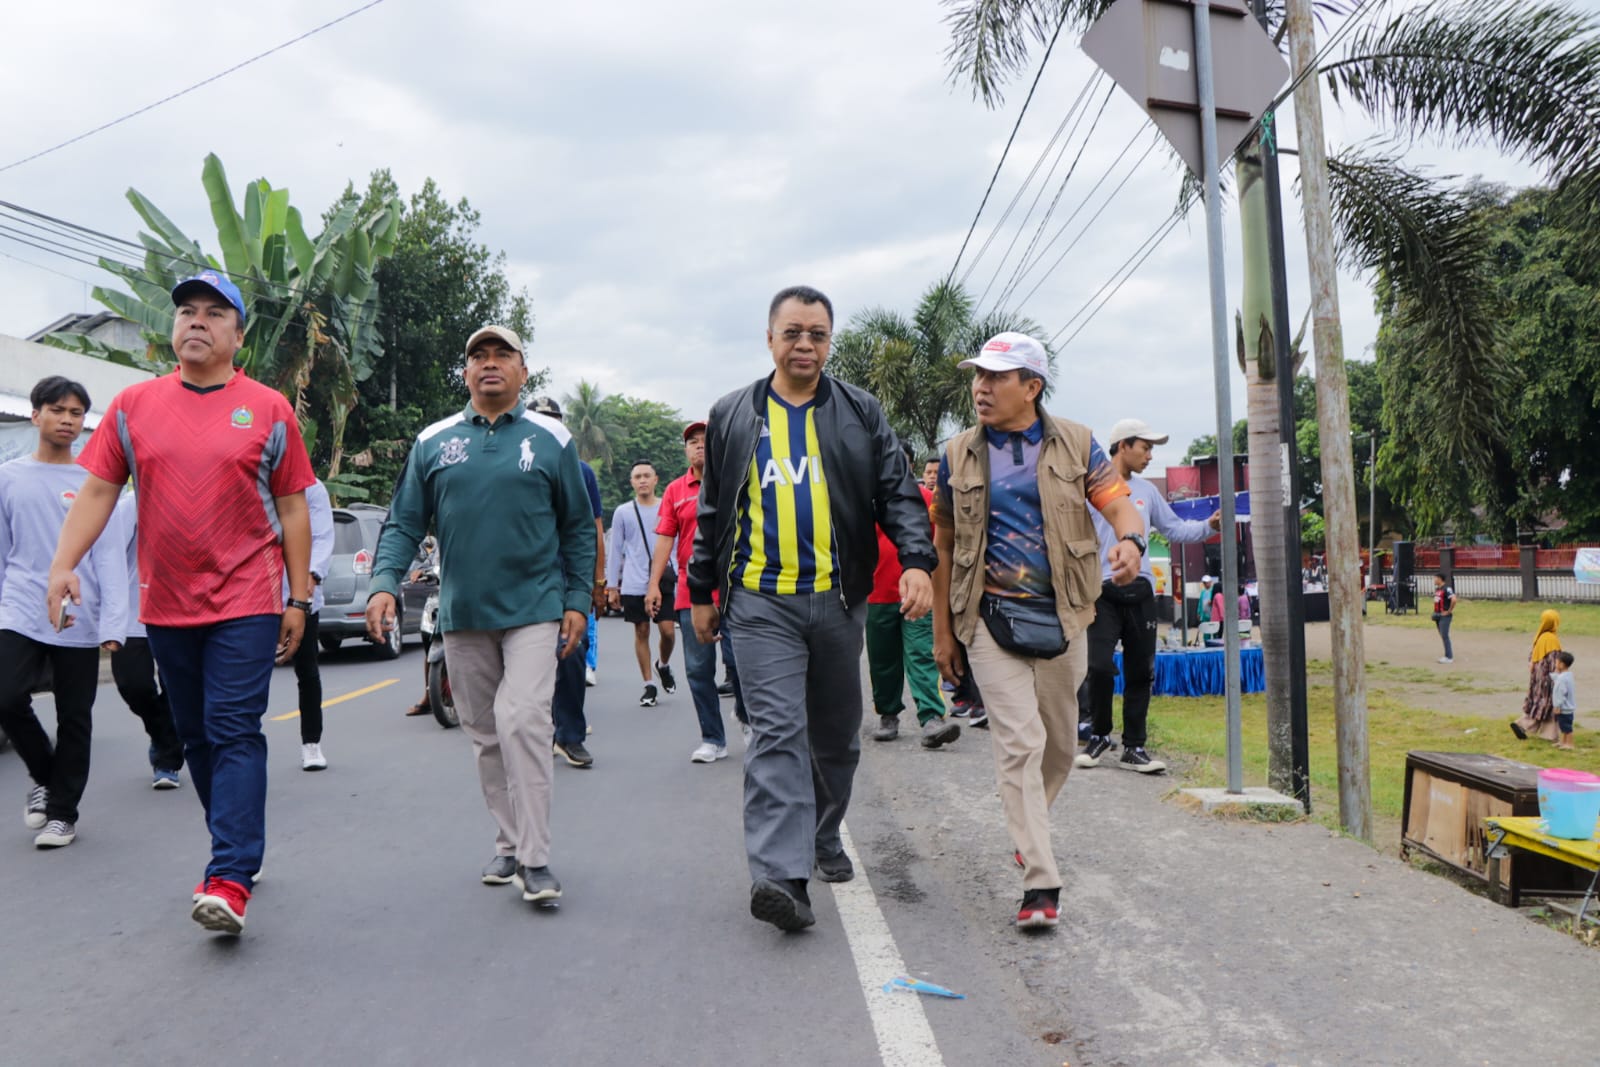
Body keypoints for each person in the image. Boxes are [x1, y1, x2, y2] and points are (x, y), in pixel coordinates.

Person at [49, 272, 314, 935]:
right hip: (166, 601)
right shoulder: (134, 406)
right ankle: (236, 844)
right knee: (194, 734)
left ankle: (228, 872)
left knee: (232, 727)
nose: (196, 321)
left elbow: (291, 507)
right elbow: (99, 493)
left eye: (213, 313)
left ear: (237, 335)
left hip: (248, 595)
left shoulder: (269, 408)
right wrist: (62, 565)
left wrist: (299, 595)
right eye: (187, 311)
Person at [691, 285, 935, 932]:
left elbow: (899, 494)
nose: (806, 344)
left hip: (837, 599)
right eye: (793, 332)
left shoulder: (860, 412)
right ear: (769, 338)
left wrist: (916, 560)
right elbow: (714, 511)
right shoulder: (733, 414)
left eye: (818, 334)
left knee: (834, 738)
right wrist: (700, 592)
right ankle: (781, 876)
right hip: (759, 602)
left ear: (830, 341)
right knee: (775, 733)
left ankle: (825, 835)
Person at [366, 326, 594, 907]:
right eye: (478, 357)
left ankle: (537, 860)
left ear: (523, 370)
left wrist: (576, 602)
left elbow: (576, 528)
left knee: (523, 721)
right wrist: (384, 584)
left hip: (535, 609)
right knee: (486, 735)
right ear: (466, 373)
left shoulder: (552, 439)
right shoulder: (435, 441)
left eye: (502, 355)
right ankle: (509, 841)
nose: (489, 364)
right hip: (464, 613)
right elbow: (402, 522)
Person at [930, 332, 1143, 931]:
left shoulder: (1076, 442)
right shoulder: (957, 453)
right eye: (978, 375)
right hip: (989, 619)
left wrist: (1130, 541)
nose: (981, 386)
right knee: (1019, 745)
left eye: (997, 377)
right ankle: (1040, 881)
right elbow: (944, 543)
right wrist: (944, 634)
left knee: (1060, 748)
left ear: (1032, 386)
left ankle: (1027, 829)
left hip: (1066, 615)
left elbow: (1118, 504)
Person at [0, 376, 129, 848]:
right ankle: (44, 774)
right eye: (57, 410)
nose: (67, 420)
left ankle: (63, 814)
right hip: (19, 608)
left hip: (80, 613)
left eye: (76, 413)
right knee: (7, 696)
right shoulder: (8, 477)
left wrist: (115, 623)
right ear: (36, 415)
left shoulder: (97, 484)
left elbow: (110, 557)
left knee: (76, 716)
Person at [1078, 419, 1219, 774]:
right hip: (1101, 591)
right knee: (1098, 666)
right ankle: (1098, 736)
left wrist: (1208, 527)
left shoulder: (1147, 491)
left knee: (1142, 670)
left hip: (1141, 591)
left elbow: (1173, 528)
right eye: (1145, 447)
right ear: (1123, 446)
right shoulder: (1090, 488)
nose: (1150, 455)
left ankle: (1134, 747)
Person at [647, 420, 747, 759]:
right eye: (693, 441)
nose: (699, 445)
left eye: (706, 440)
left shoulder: (736, 483)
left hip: (738, 589)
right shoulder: (676, 490)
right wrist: (654, 585)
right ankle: (713, 739)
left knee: (741, 663)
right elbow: (664, 539)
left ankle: (748, 720)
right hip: (692, 593)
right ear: (685, 449)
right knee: (698, 669)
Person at [529, 396, 606, 769]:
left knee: (571, 654)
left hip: (565, 578)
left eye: (553, 420)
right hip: (521, 579)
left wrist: (597, 581)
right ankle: (533, 731)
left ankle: (569, 735)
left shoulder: (580, 472)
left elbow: (593, 530)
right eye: (538, 419)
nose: (546, 425)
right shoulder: (515, 465)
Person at [868, 440, 958, 749]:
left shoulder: (927, 500)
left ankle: (932, 718)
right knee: (882, 660)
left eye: (900, 462)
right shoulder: (866, 501)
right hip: (877, 593)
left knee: (921, 654)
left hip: (920, 593)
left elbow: (943, 542)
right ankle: (888, 714)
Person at [110, 490, 185, 789]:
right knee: (133, 685)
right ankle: (163, 736)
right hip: (132, 614)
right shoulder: (132, 504)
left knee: (177, 691)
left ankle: (167, 761)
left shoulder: (191, 501)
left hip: (179, 612)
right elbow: (111, 555)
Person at [605, 459, 677, 708]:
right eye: (638, 477)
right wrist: (611, 586)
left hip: (664, 580)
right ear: (632, 483)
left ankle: (663, 665)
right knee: (641, 631)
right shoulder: (623, 512)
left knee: (668, 631)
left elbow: (674, 544)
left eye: (647, 475)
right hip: (634, 582)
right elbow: (615, 550)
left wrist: (678, 573)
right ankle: (649, 685)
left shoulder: (667, 508)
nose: (643, 480)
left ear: (656, 479)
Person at [287, 479, 335, 770]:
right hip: (256, 595)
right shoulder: (251, 478)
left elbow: (322, 537)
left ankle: (311, 744)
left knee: (307, 670)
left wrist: (312, 576)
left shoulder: (311, 487)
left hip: (302, 596)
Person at [1512, 610, 1563, 743]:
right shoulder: (1552, 639)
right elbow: (1554, 661)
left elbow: (1532, 657)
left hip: (1537, 677)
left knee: (1539, 702)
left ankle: (1524, 724)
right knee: (1551, 703)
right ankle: (1547, 733)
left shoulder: (1539, 637)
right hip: (1548, 678)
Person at [406, 536, 439, 717]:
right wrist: (419, 571)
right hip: (439, 597)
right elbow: (426, 563)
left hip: (465, 598)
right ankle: (428, 696)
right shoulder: (438, 548)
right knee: (429, 641)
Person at [1552, 651, 1577, 751]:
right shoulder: (1568, 675)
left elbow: (1560, 693)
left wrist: (1557, 706)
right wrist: (1555, 673)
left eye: (1556, 662)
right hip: (1567, 707)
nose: (1555, 664)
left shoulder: (1562, 679)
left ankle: (1570, 743)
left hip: (1563, 708)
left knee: (1567, 727)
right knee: (1563, 726)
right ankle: (1563, 742)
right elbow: (1558, 678)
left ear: (1561, 664)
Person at [1432, 574, 1456, 665]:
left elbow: (1453, 599)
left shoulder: (1447, 589)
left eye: (1435, 578)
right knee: (1442, 635)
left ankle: (1449, 657)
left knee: (1445, 635)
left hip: (1444, 615)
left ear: (1439, 579)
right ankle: (1447, 655)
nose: (1434, 580)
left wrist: (1449, 611)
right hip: (1437, 615)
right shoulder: (1438, 589)